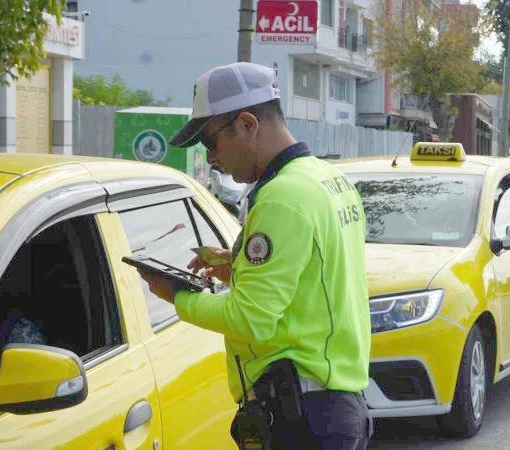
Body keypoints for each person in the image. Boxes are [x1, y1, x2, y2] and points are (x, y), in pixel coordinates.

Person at [138, 62, 373, 449]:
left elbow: (250, 321)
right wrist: (239, 270)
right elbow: (319, 281)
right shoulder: (325, 179)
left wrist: (176, 295)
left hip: (303, 416)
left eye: (210, 142)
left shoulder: (283, 197)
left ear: (248, 124)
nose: (211, 158)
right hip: (332, 406)